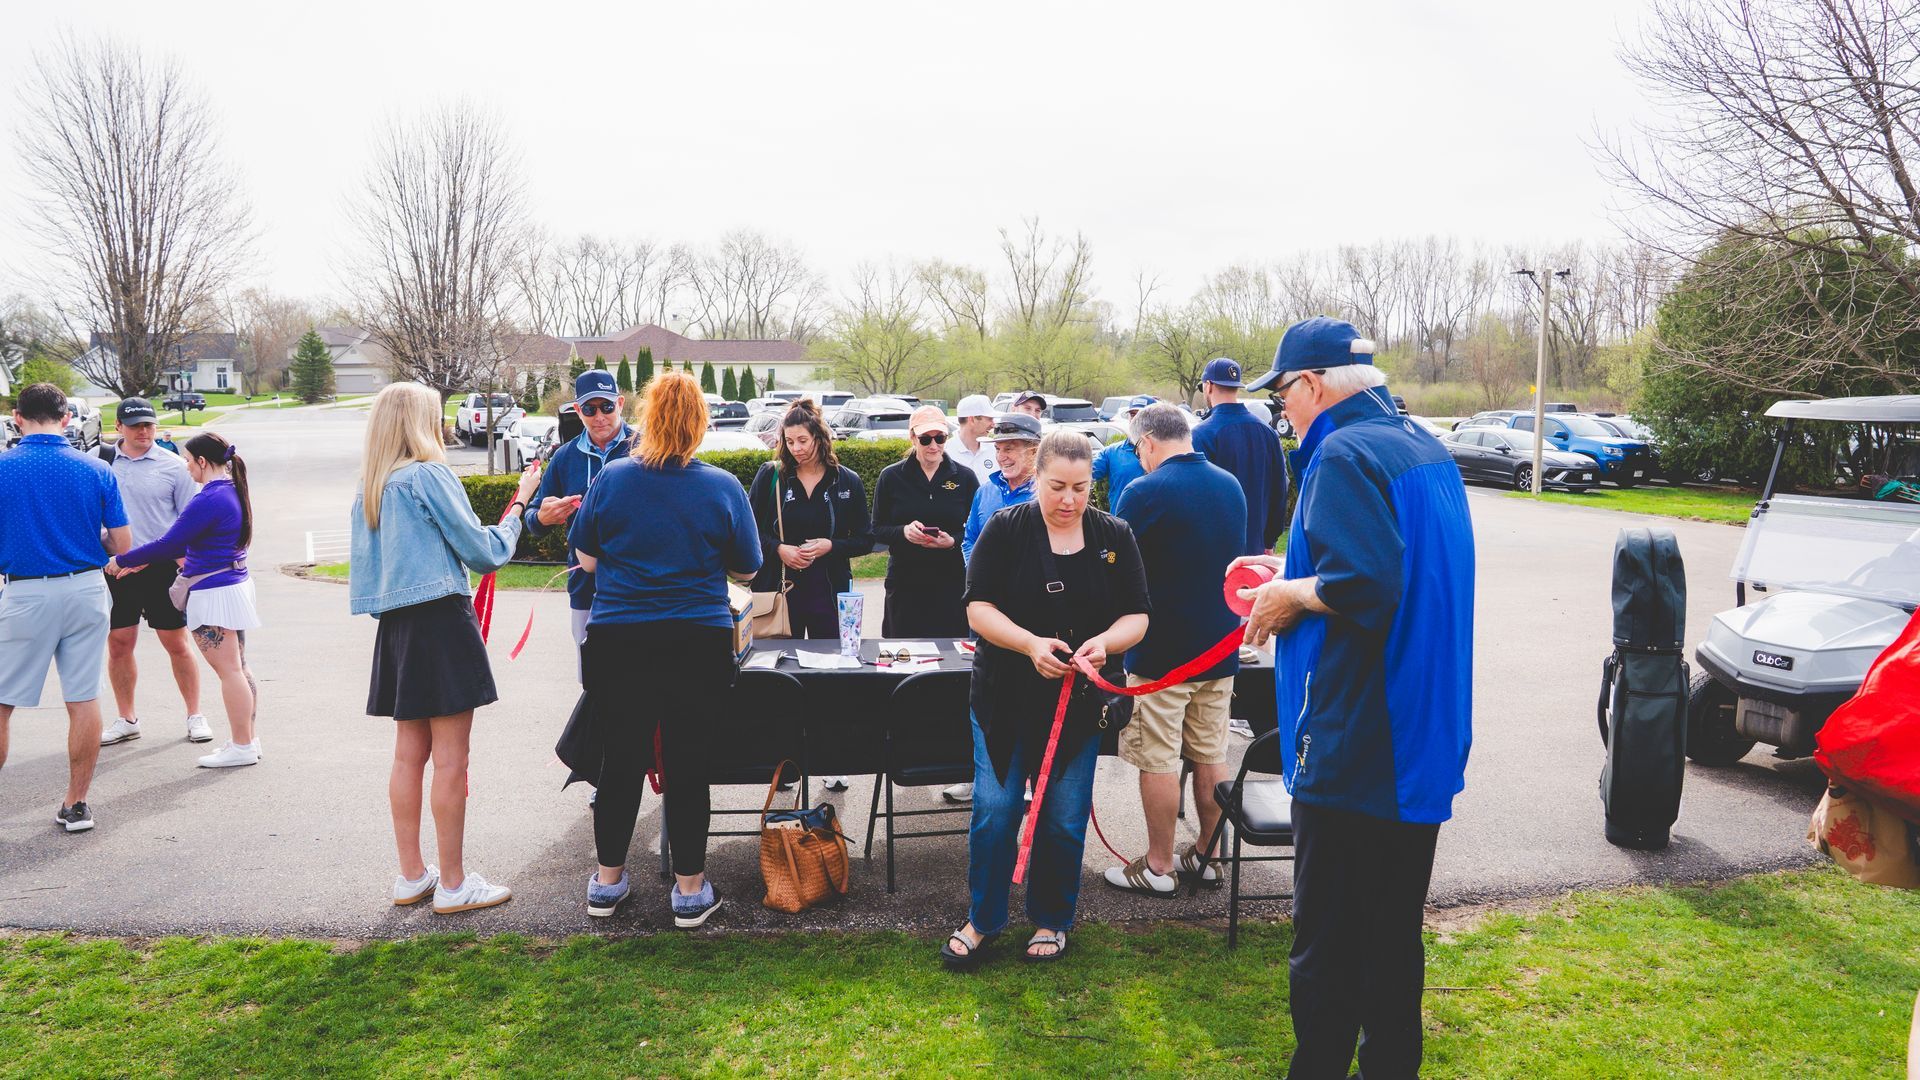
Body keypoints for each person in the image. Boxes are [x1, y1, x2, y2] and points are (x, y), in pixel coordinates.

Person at [1238, 316, 1475, 1079]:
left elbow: (1367, 582)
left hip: (1359, 746)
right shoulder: (1423, 446)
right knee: (1391, 941)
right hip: (1420, 737)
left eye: (1282, 394)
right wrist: (1299, 573)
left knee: (1327, 950)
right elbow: (1390, 566)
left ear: (1311, 384)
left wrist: (1289, 595)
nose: (1282, 411)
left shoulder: (1341, 453)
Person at [942, 429, 1150, 968]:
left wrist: (1106, 643)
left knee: (1062, 817)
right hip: (1004, 697)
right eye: (1057, 486)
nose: (1069, 500)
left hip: (1078, 703)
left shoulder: (1114, 534)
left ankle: (1052, 918)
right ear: (1036, 477)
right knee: (994, 812)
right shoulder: (1005, 528)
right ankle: (983, 918)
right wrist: (1030, 644)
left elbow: (1137, 615)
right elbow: (977, 608)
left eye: (1081, 489)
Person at [569, 371, 763, 926]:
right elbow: (747, 569)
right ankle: (689, 890)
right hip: (696, 639)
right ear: (701, 423)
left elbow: (586, 560)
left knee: (619, 763)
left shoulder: (613, 478)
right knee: (687, 765)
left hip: (619, 637)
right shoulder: (723, 486)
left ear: (648, 420)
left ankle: (607, 883)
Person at [349, 382, 541, 915]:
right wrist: (520, 501)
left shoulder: (371, 485)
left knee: (408, 755)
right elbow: (484, 552)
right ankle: (454, 884)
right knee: (452, 760)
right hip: (440, 623)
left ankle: (412, 875)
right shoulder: (427, 476)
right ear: (419, 422)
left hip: (397, 629)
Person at [1103, 403, 1245, 896]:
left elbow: (1114, 564)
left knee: (1157, 757)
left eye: (1136, 448)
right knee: (1211, 754)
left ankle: (1159, 865)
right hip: (1219, 646)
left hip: (1161, 652)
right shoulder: (1230, 484)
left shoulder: (1144, 491)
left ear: (1146, 442)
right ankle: (1208, 856)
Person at [0, 383, 130, 833]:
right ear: (66, 418)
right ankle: (77, 804)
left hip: (26, 591)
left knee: (3, 701)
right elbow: (123, 544)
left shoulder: (2, 468)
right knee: (83, 697)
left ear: (18, 418)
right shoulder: (96, 468)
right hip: (86, 589)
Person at [108, 433, 262, 769]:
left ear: (203, 462)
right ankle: (247, 739)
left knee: (230, 672)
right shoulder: (231, 490)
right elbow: (178, 544)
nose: (187, 468)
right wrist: (143, 559)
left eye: (190, 461)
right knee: (238, 667)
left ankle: (242, 746)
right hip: (231, 586)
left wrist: (122, 559)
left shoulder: (208, 498)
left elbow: (170, 542)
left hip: (213, 591)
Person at [747, 399, 873, 793]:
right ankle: (783, 765)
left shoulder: (846, 480)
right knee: (780, 681)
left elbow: (865, 539)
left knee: (829, 681)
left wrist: (831, 546)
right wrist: (780, 550)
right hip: (781, 593)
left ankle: (831, 761)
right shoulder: (771, 476)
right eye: (790, 441)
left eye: (803, 440)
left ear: (820, 437)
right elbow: (749, 531)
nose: (797, 448)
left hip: (829, 593)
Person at [97, 397, 208, 748]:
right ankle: (127, 719)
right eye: (135, 426)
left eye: (148, 425)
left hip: (160, 566)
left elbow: (189, 523)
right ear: (119, 427)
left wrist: (158, 558)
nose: (143, 432)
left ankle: (195, 715)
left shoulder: (173, 466)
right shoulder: (101, 463)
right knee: (119, 644)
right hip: (116, 567)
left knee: (176, 642)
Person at [523, 370, 633, 682]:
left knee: (636, 676)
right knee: (593, 677)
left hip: (638, 585)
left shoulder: (645, 449)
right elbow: (533, 518)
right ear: (577, 410)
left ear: (620, 404)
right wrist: (542, 518)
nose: (599, 417)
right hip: (585, 586)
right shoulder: (564, 457)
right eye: (589, 409)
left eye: (607, 407)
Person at [871, 405, 979, 637]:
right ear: (912, 438)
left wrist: (953, 541)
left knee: (951, 652)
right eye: (925, 439)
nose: (933, 445)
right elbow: (876, 529)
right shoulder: (891, 477)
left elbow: (977, 532)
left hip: (950, 582)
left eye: (940, 438)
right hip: (905, 581)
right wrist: (903, 532)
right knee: (904, 651)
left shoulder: (965, 478)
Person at [1192, 356, 1291, 557]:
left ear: (1208, 386)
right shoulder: (1267, 432)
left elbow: (1198, 499)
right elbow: (1279, 489)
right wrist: (1269, 540)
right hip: (1257, 549)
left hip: (1216, 553)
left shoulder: (1202, 434)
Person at [961, 413, 1044, 564]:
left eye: (1009, 449)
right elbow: (970, 540)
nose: (1000, 457)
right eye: (997, 449)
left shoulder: (1047, 494)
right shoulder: (984, 492)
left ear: (1034, 450)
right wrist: (977, 572)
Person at [1091, 395, 1155, 509]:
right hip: (1120, 518)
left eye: (1141, 415)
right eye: (1132, 415)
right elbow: (1083, 473)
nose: (1135, 420)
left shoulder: (1164, 452)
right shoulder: (1111, 452)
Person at [947, 395, 999, 486]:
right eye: (989, 419)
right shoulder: (945, 453)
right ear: (972, 419)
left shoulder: (995, 450)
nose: (993, 425)